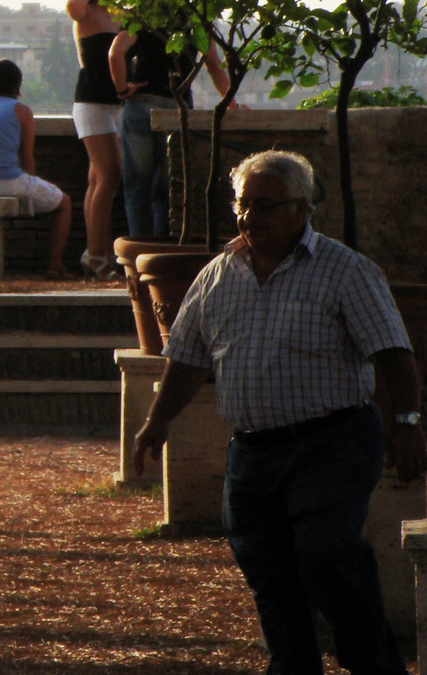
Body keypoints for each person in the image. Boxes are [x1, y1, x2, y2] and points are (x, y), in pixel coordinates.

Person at [133, 150, 424, 675]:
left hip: (331, 443)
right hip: (252, 452)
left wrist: (406, 424)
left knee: (327, 556)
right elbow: (187, 358)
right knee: (269, 573)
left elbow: (394, 354)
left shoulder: (345, 271)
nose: (249, 218)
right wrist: (158, 419)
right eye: (243, 205)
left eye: (264, 207)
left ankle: (376, 665)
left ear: (300, 209)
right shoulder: (217, 276)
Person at [108, 28, 231, 239]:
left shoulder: (147, 14)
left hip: (141, 102)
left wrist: (122, 88)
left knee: (137, 187)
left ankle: (140, 250)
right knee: (168, 188)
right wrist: (232, 104)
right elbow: (213, 63)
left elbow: (115, 52)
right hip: (178, 106)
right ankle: (163, 245)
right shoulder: (195, 19)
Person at [0, 59, 73, 279]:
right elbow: (27, 159)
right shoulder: (22, 111)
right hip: (6, 181)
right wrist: (32, 195)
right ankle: (55, 267)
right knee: (65, 204)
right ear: (17, 84)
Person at [65, 0, 122, 279]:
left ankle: (95, 252)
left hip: (115, 102)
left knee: (98, 180)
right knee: (110, 176)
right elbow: (72, 6)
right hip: (92, 100)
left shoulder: (116, 12)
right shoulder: (84, 9)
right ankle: (98, 253)